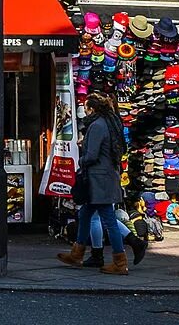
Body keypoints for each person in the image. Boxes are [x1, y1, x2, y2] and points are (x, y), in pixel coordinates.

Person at [58, 92, 130, 275]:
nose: (84, 111)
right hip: (103, 177)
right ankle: (77, 253)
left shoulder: (97, 126)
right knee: (84, 214)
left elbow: (92, 155)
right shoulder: (109, 122)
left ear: (92, 109)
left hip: (99, 179)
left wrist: (81, 156)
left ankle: (119, 262)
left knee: (109, 220)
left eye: (86, 107)